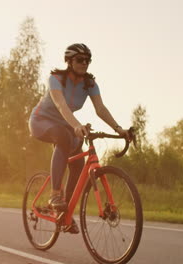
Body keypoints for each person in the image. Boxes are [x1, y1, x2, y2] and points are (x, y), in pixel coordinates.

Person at [28, 43, 130, 233]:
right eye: (80, 60)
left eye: (88, 60)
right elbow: (60, 105)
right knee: (63, 138)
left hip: (67, 123)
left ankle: (64, 214)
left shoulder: (89, 84)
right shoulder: (56, 78)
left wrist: (118, 128)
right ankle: (55, 194)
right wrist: (76, 125)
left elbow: (100, 109)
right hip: (41, 121)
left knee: (78, 163)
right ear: (69, 61)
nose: (85, 63)